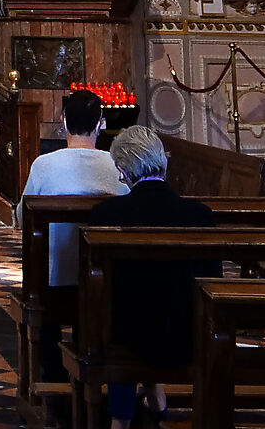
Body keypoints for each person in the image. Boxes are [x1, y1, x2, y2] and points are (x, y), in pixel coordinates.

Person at [85, 127, 217, 429]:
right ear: (163, 162)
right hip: (186, 335)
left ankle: (121, 418)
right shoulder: (200, 215)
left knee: (119, 313)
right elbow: (212, 281)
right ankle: (156, 400)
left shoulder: (106, 215)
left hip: (127, 336)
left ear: (123, 170)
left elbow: (100, 288)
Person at [17, 89, 127, 379]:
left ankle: (52, 378)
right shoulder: (116, 165)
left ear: (63, 122)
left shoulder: (44, 165)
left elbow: (20, 217)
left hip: (52, 284)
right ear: (100, 123)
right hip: (107, 284)